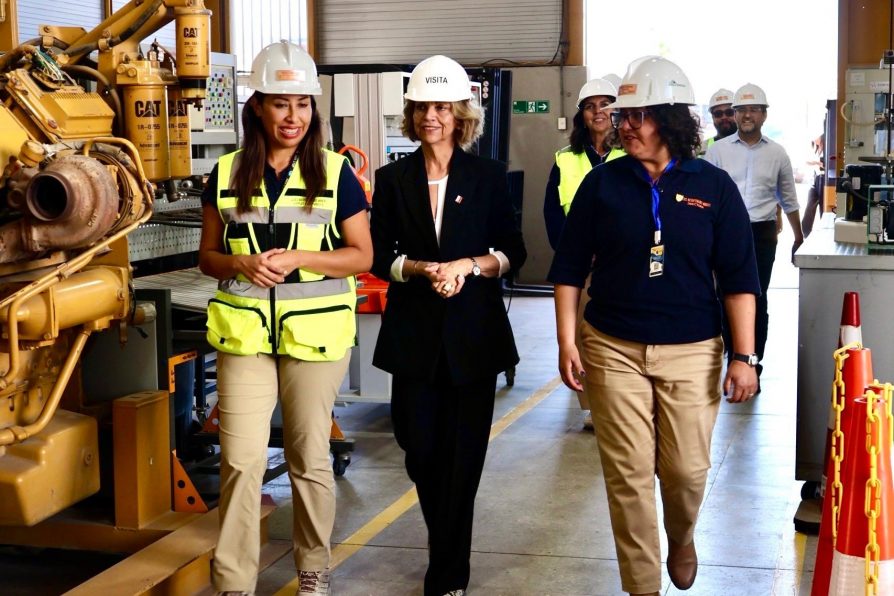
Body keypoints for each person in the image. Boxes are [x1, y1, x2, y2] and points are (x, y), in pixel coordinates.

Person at [549, 56, 760, 596]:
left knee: (687, 473)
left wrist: (744, 356)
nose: (624, 125)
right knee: (629, 478)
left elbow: (739, 278)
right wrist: (567, 339)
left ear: (669, 119)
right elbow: (570, 268)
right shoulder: (602, 184)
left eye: (638, 115)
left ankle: (682, 535)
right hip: (612, 346)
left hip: (693, 349)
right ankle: (642, 586)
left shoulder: (712, 186)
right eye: (623, 115)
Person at [198, 41, 372, 596]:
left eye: (301, 104)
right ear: (257, 107)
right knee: (242, 462)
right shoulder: (224, 174)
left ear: (312, 110)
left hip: (315, 336)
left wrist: (300, 259)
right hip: (245, 333)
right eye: (280, 103)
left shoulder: (336, 172)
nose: (292, 117)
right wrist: (240, 262)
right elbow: (208, 259)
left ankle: (313, 567)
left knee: (308, 457)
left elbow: (361, 256)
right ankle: (233, 583)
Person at [369, 54, 526, 596]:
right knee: (418, 447)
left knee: (463, 457)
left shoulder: (487, 177)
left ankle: (449, 569)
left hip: (472, 339)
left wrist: (470, 265)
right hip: (414, 336)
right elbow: (378, 256)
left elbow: (514, 251)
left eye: (441, 107)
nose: (431, 117)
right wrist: (415, 268)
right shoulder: (393, 179)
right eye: (422, 107)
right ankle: (446, 535)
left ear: (461, 114)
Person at [705, 83, 804, 388]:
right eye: (741, 110)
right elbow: (705, 196)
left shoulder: (777, 154)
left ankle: (752, 363)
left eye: (753, 109)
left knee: (756, 298)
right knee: (723, 297)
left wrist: (799, 238)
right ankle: (732, 356)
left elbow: (789, 199)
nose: (746, 115)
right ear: (734, 115)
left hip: (761, 234)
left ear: (763, 115)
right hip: (722, 231)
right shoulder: (717, 151)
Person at [543, 76, 624, 430]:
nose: (598, 112)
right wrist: (572, 255)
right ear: (581, 116)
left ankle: (621, 402)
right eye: (590, 106)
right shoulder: (565, 159)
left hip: (621, 263)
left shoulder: (632, 155)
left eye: (606, 104)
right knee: (580, 337)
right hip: (580, 266)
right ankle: (591, 405)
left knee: (619, 335)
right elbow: (551, 212)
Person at [801, 133, 826, 237]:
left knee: (823, 208)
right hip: (816, 178)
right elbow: (807, 161)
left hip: (824, 178)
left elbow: (829, 164)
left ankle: (824, 231)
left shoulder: (826, 145)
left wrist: (818, 163)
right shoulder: (815, 147)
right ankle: (805, 232)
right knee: (810, 205)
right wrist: (817, 163)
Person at [699, 88, 737, 155]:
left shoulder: (751, 146)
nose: (724, 117)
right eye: (718, 114)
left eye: (729, 112)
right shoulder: (702, 148)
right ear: (712, 117)